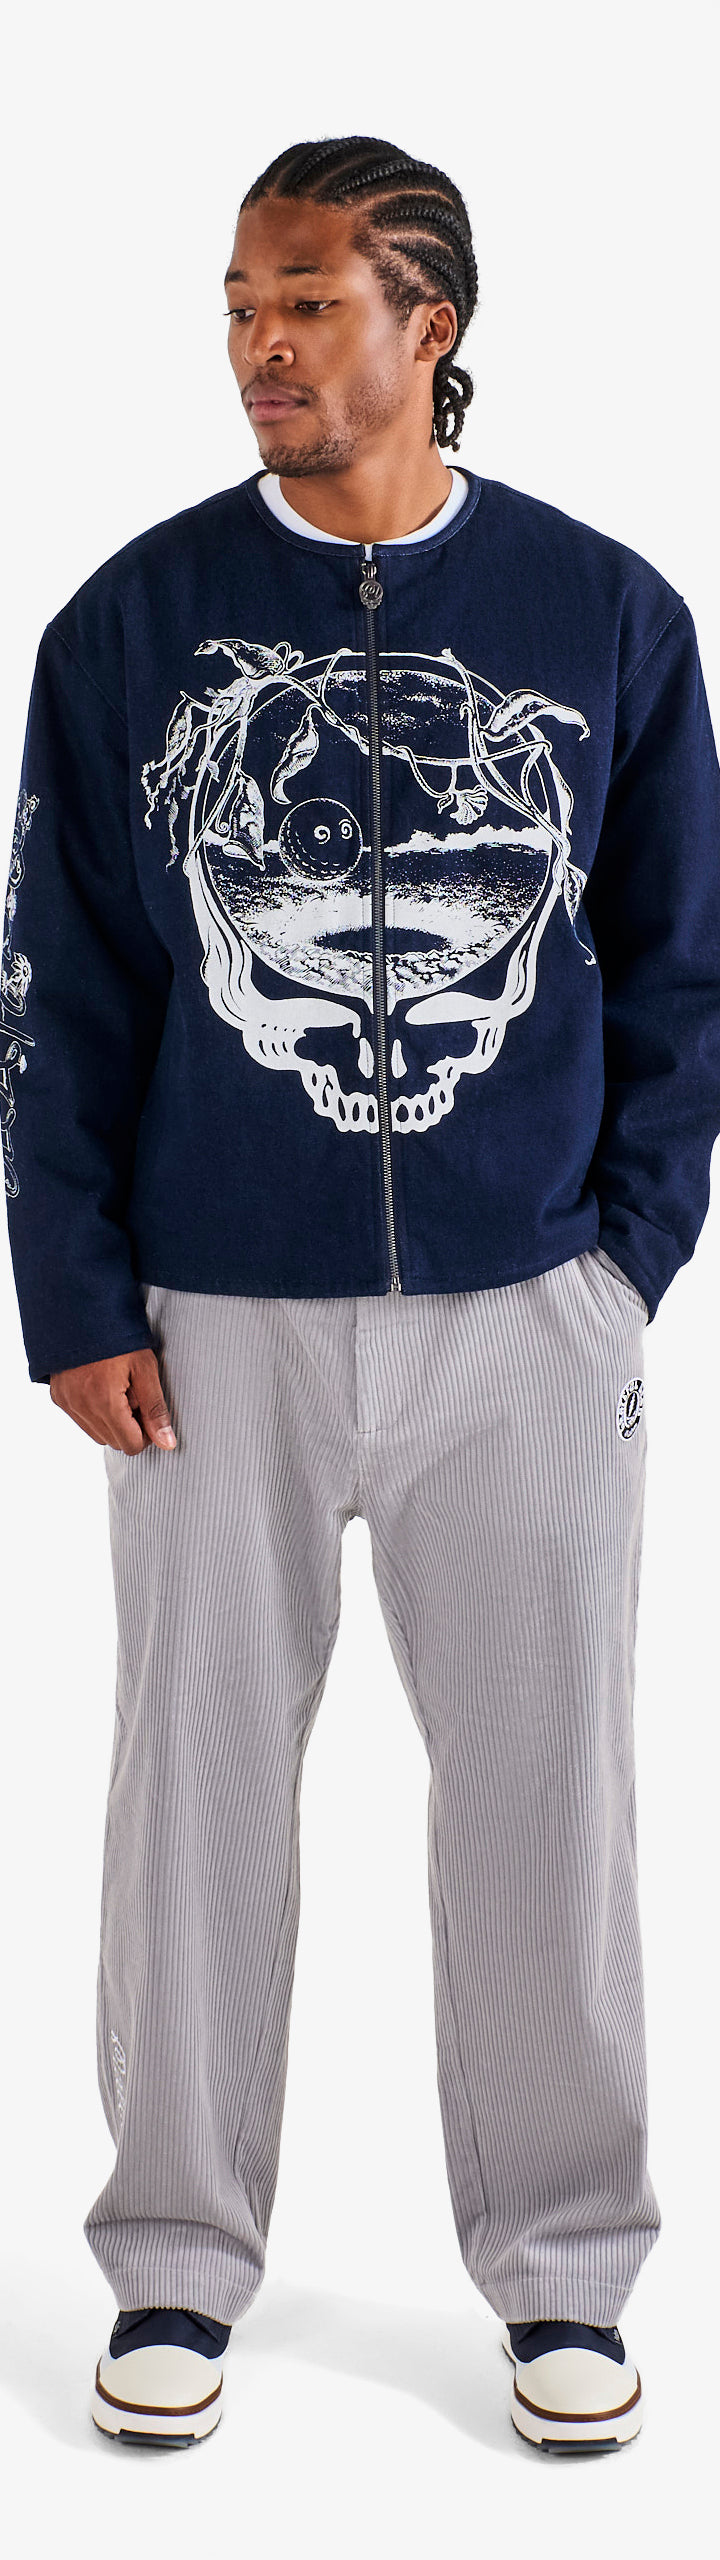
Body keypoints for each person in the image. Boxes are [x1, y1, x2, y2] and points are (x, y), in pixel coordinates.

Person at [3, 132, 720, 2460]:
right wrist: (75, 1288)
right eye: (241, 303)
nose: (261, 346)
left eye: (309, 300)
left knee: (548, 1798)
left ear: (433, 324)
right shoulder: (127, 629)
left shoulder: (605, 618)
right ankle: (177, 2255)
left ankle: (566, 2267)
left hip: (530, 1309)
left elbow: (680, 969)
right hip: (211, 1310)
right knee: (189, 1795)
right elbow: (61, 996)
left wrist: (622, 1266)